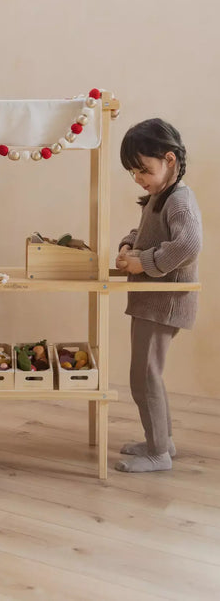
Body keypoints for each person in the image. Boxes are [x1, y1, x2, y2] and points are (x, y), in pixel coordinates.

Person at [114, 118, 202, 473]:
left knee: (144, 376)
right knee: (148, 374)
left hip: (163, 302)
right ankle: (160, 441)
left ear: (170, 160)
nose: (138, 178)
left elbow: (189, 244)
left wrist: (143, 262)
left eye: (144, 169)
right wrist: (128, 244)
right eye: (132, 172)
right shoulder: (158, 197)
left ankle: (159, 454)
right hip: (151, 299)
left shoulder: (179, 200)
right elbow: (146, 232)